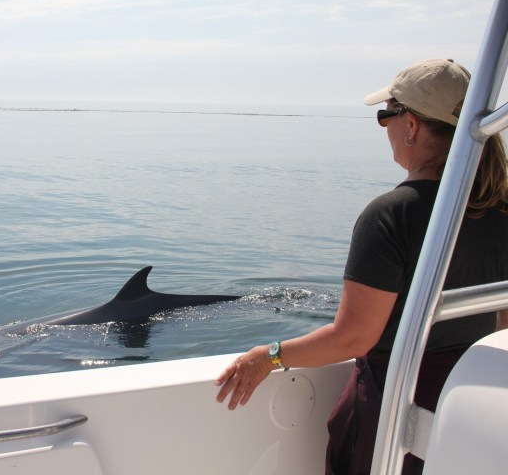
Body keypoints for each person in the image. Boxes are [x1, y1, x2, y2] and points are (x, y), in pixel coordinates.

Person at [214, 59, 508, 475]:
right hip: (467, 413)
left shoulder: (390, 215)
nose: (384, 126)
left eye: (386, 113)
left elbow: (352, 338)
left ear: (412, 127)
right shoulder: (499, 212)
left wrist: (268, 356)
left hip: (392, 417)